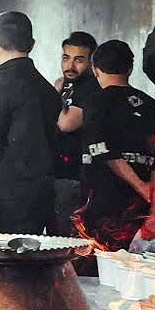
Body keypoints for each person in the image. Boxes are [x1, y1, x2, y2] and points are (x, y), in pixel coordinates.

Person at [0, 11, 60, 235]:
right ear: (32, 44)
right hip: (41, 199)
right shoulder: (47, 90)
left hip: (3, 202)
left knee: (2, 267)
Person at [76, 40, 155, 254]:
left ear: (95, 70)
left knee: (98, 265)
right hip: (140, 209)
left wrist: (140, 186)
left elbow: (105, 152)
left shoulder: (96, 102)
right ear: (130, 69)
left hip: (103, 202)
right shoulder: (152, 106)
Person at [51, 32, 101, 237]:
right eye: (66, 58)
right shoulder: (70, 87)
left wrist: (54, 95)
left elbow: (65, 124)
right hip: (62, 174)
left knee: (67, 239)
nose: (70, 65)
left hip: (76, 177)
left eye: (79, 59)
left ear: (91, 62)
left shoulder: (89, 88)